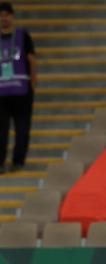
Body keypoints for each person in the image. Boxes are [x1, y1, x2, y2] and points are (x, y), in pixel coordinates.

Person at [0, 2, 36, 174]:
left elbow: (32, 60)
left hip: (22, 92)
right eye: (1, 15)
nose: (4, 18)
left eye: (7, 15)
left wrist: (33, 82)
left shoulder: (23, 35)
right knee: (1, 131)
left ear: (12, 17)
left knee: (22, 129)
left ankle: (18, 161)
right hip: (1, 93)